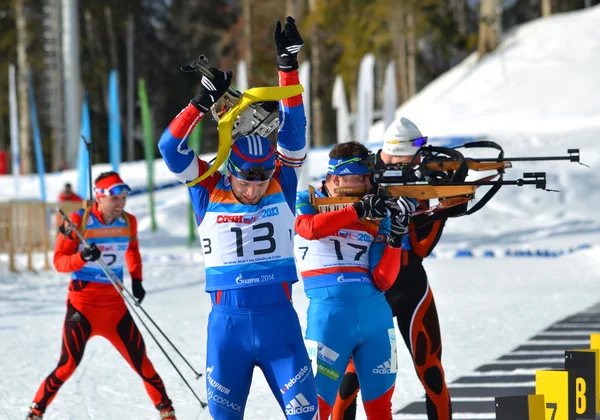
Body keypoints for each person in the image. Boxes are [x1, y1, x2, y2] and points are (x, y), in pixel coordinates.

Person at [158, 16, 318, 420]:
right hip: (226, 332)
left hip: (280, 326)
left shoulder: (281, 182)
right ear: (231, 170)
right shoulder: (208, 187)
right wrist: (199, 103)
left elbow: (293, 131)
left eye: (264, 178)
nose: (255, 188)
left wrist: (287, 68)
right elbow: (170, 147)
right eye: (248, 179)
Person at [26, 171, 176, 420]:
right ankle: (35, 412)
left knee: (142, 363)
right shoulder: (77, 221)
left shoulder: (128, 222)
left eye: (124, 198)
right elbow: (59, 262)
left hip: (115, 308)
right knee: (67, 366)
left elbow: (132, 250)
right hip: (82, 307)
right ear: (99, 197)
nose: (121, 204)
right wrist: (81, 257)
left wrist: (136, 279)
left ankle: (167, 412)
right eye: (115, 199)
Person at [332, 117, 453, 420]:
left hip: (409, 281)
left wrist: (441, 210)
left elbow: (421, 247)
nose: (419, 159)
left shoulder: (419, 175)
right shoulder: (360, 170)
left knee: (431, 372)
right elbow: (333, 207)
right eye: (416, 151)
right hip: (367, 285)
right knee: (349, 379)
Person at [294, 141, 414, 420]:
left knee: (380, 410)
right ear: (336, 178)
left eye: (369, 177)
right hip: (328, 318)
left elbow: (383, 280)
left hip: (375, 317)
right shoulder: (305, 199)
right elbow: (308, 229)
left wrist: (395, 236)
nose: (367, 183)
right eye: (360, 177)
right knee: (315, 409)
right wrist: (357, 211)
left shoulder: (375, 210)